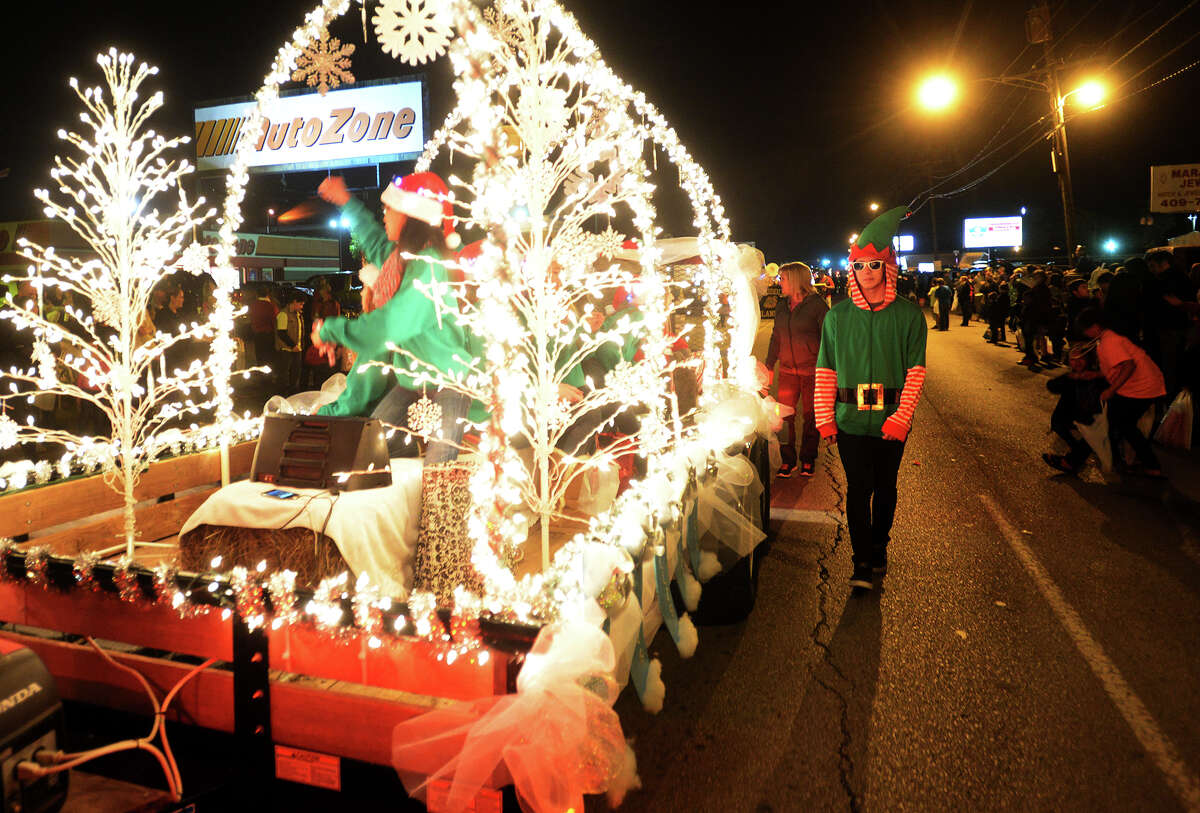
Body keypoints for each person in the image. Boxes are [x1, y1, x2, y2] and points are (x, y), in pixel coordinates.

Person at [313, 172, 473, 464]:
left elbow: (387, 325)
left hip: (449, 383)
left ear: (411, 215)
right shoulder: (400, 260)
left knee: (438, 473)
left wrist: (330, 330)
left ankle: (432, 500)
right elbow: (373, 239)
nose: (384, 215)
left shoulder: (429, 268)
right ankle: (406, 490)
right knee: (371, 454)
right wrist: (346, 200)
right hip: (410, 383)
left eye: (390, 209)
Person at [815, 206, 927, 590]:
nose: (867, 273)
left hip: (891, 420)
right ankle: (860, 559)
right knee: (858, 489)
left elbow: (916, 372)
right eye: (860, 266)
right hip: (849, 419)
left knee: (886, 487)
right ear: (852, 270)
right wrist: (824, 418)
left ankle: (880, 544)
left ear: (888, 268)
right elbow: (826, 370)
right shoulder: (837, 317)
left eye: (874, 265)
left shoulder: (910, 317)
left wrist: (902, 417)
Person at [1075, 308, 1167, 478]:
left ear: (1095, 326)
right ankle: (1137, 463)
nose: (1085, 333)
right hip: (1144, 386)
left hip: (1141, 387)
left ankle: (1145, 464)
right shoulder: (1106, 338)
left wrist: (1111, 390)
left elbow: (1128, 365)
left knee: (1119, 423)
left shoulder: (1110, 341)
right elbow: (1117, 366)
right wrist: (1096, 374)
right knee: (1120, 424)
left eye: (1085, 329)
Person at [763, 262, 828, 477]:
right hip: (788, 372)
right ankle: (787, 460)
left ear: (796, 280)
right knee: (784, 416)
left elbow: (828, 339)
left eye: (783, 279)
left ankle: (808, 458)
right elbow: (776, 337)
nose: (779, 283)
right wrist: (769, 365)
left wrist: (827, 368)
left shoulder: (817, 306)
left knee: (811, 416)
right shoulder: (782, 305)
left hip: (812, 372)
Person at [1041, 341, 1108, 475]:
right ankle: (1076, 456)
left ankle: (1073, 460)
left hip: (1091, 418)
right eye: (1073, 360)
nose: (1076, 363)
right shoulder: (1071, 376)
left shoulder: (1096, 377)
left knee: (1091, 434)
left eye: (1081, 359)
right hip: (1070, 416)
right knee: (1057, 422)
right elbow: (1052, 386)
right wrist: (1072, 378)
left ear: (1088, 360)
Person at [275, 291, 305, 394]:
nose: (302, 306)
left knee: (295, 374)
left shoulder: (298, 315)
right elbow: (281, 333)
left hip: (297, 349)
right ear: (294, 302)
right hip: (286, 350)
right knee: (283, 375)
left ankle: (293, 395)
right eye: (300, 304)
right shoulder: (283, 314)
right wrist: (293, 345)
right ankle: (281, 395)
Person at [249, 284, 279, 370]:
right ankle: (269, 376)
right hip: (269, 334)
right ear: (268, 294)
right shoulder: (272, 306)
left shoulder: (253, 305)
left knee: (260, 356)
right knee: (269, 357)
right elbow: (275, 320)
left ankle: (261, 375)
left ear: (256, 294)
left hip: (257, 335)